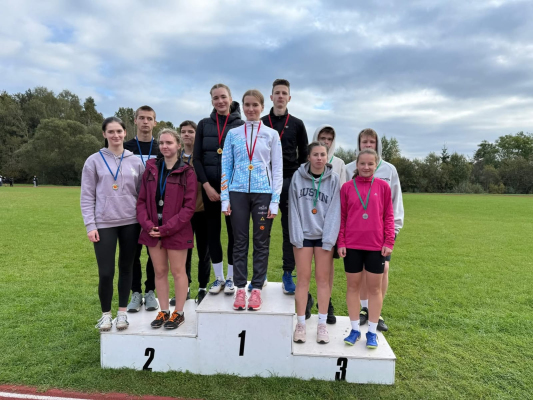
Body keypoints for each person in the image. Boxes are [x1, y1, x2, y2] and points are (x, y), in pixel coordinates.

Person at [81, 117, 145, 332]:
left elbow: (142, 194)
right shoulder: (93, 161)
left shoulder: (135, 161)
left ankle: (122, 314)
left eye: (119, 131)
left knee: (126, 268)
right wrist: (90, 225)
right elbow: (87, 195)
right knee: (106, 272)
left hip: (131, 222)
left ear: (125, 133)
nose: (115, 135)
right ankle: (106, 315)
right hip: (104, 223)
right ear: (104, 134)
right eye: (111, 131)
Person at [221, 89, 283, 311]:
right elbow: (226, 167)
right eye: (247, 104)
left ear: (262, 107)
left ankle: (256, 288)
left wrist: (275, 200)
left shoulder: (271, 135)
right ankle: (240, 288)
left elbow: (277, 169)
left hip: (263, 193)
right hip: (237, 192)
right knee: (239, 241)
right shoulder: (233, 134)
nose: (250, 109)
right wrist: (225, 198)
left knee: (261, 242)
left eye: (255, 105)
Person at [136, 128, 197, 329]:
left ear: (178, 145)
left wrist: (167, 229)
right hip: (153, 230)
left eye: (169, 143)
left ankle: (178, 313)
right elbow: (141, 201)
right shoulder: (151, 169)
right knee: (159, 271)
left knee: (178, 272)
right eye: (161, 143)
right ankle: (163, 311)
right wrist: (148, 225)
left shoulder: (187, 172)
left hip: (176, 230)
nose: (164, 146)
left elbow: (189, 207)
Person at [345, 129, 404, 332]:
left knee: (382, 270)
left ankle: (375, 313)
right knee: (360, 273)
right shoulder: (349, 168)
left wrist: (393, 231)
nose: (368, 145)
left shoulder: (389, 169)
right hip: (356, 233)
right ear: (359, 144)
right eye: (365, 142)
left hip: (381, 232)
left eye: (372, 142)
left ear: (377, 144)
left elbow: (395, 201)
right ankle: (364, 309)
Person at [338, 149, 395, 349]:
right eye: (362, 163)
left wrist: (389, 242)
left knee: (375, 289)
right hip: (352, 245)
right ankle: (354, 329)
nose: (366, 167)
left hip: (375, 246)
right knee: (353, 287)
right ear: (356, 164)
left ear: (376, 165)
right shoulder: (347, 187)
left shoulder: (383, 187)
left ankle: (372, 332)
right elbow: (342, 217)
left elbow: (388, 216)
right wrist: (341, 242)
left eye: (371, 164)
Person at [193, 84, 244, 295]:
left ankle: (231, 278)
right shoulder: (204, 125)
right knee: (213, 233)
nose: (220, 101)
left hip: (233, 190)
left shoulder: (241, 125)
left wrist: (229, 190)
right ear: (212, 101)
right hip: (210, 190)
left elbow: (243, 160)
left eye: (223, 97)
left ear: (230, 99)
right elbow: (197, 159)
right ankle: (219, 278)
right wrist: (206, 186)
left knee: (234, 234)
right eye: (215, 98)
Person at [289, 141, 341, 344]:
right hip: (302, 236)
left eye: (323, 155)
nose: (319, 158)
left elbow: (335, 210)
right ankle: (301, 323)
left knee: (323, 280)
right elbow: (293, 208)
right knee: (303, 279)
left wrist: (329, 239)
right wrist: (296, 236)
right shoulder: (297, 177)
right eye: (316, 155)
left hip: (323, 236)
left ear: (327, 157)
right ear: (308, 157)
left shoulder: (334, 179)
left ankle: (322, 324)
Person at [261, 79, 308, 295]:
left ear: (289, 98)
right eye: (277, 93)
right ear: (271, 97)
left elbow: (304, 156)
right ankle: (260, 273)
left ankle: (288, 273)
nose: (280, 96)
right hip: (265, 182)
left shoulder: (297, 124)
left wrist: (298, 180)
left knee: (290, 231)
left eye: (284, 93)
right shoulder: (261, 122)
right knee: (263, 229)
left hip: (290, 181)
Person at [306, 125, 348, 324]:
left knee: (327, 268)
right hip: (309, 221)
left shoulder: (339, 163)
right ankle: (306, 298)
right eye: (322, 137)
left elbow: (343, 193)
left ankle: (326, 302)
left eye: (329, 139)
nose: (326, 142)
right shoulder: (309, 161)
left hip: (330, 222)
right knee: (306, 265)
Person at [169, 121, 211, 306]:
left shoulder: (202, 158)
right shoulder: (175, 158)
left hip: (202, 211)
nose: (187, 134)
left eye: (191, 131)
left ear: (197, 134)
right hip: (181, 215)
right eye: (183, 131)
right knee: (183, 253)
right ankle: (184, 289)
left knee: (204, 252)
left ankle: (202, 288)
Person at [124, 105, 160, 313]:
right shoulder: (125, 147)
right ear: (135, 120)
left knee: (154, 252)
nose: (145, 122)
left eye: (149, 118)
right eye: (142, 118)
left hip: (154, 210)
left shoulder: (160, 148)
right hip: (130, 208)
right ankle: (136, 292)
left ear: (155, 122)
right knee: (132, 254)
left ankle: (150, 291)